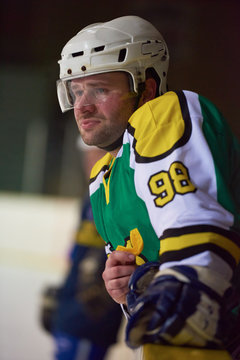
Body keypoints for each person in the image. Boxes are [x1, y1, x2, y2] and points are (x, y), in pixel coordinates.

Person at [56, 15, 240, 359]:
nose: (82, 106)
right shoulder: (104, 180)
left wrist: (187, 285)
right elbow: (150, 284)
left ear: (148, 87)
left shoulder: (163, 113)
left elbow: (195, 223)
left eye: (100, 89)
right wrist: (126, 288)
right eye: (77, 91)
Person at [40, 141, 123, 360]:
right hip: (70, 313)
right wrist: (62, 299)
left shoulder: (120, 195)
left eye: (95, 154)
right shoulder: (90, 196)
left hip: (91, 318)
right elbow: (78, 254)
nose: (89, 161)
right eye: (86, 155)